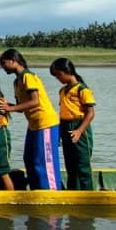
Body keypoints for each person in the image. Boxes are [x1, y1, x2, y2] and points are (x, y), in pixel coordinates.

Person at [0, 49, 61, 190]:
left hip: (45, 123)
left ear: (13, 61)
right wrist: (9, 106)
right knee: (30, 159)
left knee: (44, 162)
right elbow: (22, 107)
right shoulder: (17, 82)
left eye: (4, 63)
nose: (3, 67)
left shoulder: (28, 77)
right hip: (33, 125)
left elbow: (35, 101)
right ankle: (36, 189)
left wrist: (10, 109)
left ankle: (51, 192)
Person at [50, 58, 96, 190]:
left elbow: (91, 113)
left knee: (82, 165)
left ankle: (88, 195)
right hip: (65, 127)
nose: (58, 78)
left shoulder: (82, 89)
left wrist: (79, 131)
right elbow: (63, 112)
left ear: (67, 71)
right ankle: (73, 192)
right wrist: (58, 133)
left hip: (79, 127)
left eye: (59, 74)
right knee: (70, 165)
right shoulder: (63, 91)